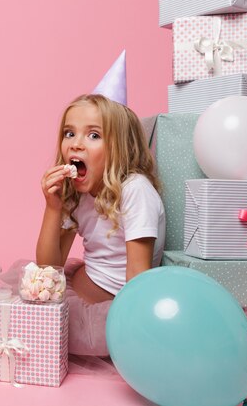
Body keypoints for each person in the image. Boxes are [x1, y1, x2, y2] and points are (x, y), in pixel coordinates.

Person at [36, 92, 166, 356]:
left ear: (121, 148)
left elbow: (137, 279)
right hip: (77, 287)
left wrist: (136, 336)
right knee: (31, 288)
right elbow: (48, 268)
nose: (76, 145)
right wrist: (53, 207)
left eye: (93, 135)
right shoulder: (78, 193)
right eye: (69, 133)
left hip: (107, 309)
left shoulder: (135, 191)